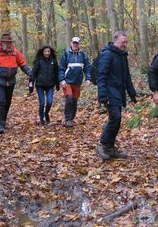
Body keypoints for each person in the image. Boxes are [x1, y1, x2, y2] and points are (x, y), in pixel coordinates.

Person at [95, 31, 137, 161]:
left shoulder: (122, 55)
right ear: (116, 41)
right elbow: (101, 76)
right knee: (115, 117)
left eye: (126, 42)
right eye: (123, 42)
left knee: (117, 121)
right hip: (109, 92)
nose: (125, 44)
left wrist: (132, 93)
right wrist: (102, 95)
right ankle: (102, 143)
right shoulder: (107, 55)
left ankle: (110, 148)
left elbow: (127, 76)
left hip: (119, 93)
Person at [0, 33, 32, 134]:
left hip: (11, 81)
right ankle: (0, 124)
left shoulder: (15, 52)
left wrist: (30, 73)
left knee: (8, 102)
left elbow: (23, 64)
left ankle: (3, 120)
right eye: (7, 42)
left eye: (10, 42)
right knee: (1, 102)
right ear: (2, 42)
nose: (9, 44)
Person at [59, 37, 92, 127]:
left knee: (74, 101)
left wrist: (88, 78)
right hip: (67, 82)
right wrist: (61, 80)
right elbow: (61, 68)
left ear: (79, 44)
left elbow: (87, 68)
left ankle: (71, 118)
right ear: (71, 43)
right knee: (69, 98)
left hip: (77, 82)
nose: (75, 45)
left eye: (77, 43)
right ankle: (68, 119)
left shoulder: (83, 55)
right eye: (74, 43)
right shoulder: (65, 54)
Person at [31, 45, 59, 126]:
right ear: (42, 52)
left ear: (50, 52)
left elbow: (56, 73)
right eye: (45, 51)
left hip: (50, 85)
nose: (47, 53)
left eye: (48, 51)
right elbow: (33, 73)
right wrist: (31, 84)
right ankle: (41, 119)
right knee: (42, 103)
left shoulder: (53, 61)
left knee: (49, 102)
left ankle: (46, 113)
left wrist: (57, 84)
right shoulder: (38, 61)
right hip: (40, 85)